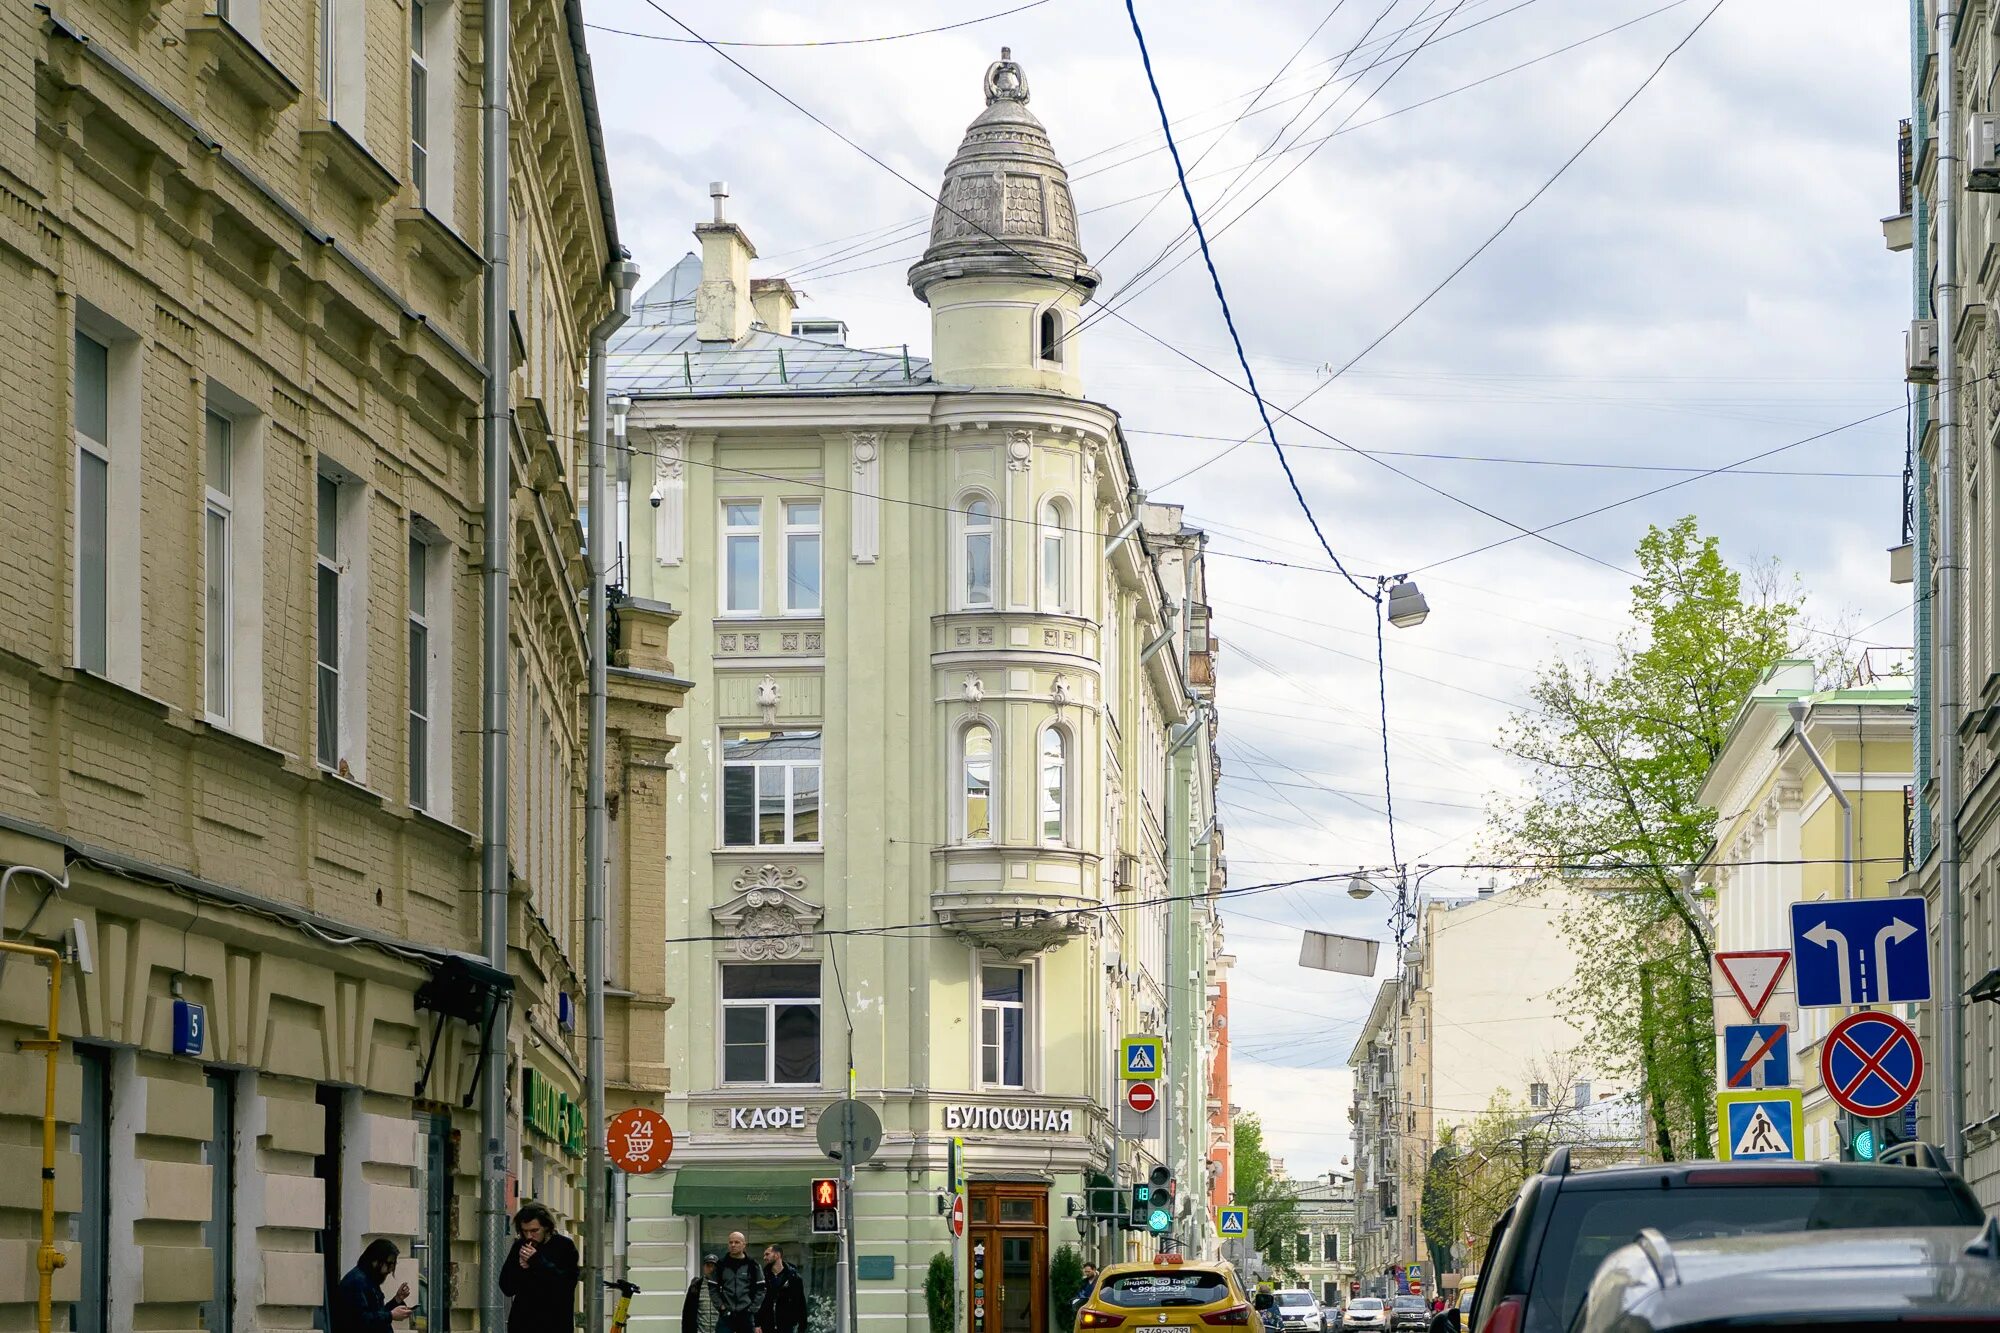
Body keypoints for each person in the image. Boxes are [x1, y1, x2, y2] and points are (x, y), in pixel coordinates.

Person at [498, 1201, 581, 1332]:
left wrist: (536, 1262)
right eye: (525, 1231)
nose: (529, 1236)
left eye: (534, 1230)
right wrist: (521, 1268)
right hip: (523, 1323)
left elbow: (566, 1285)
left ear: (547, 1227)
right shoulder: (520, 1246)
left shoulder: (564, 1246)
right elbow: (507, 1287)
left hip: (554, 1324)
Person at [331, 1238, 412, 1332]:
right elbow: (362, 1319)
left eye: (394, 1264)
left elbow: (377, 1313)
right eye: (389, 1263)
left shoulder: (368, 1280)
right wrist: (391, 1315)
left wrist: (397, 1300)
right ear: (375, 1261)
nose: (391, 1269)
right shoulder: (357, 1281)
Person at [713, 1231, 766, 1333]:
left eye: (737, 1242)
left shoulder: (753, 1265)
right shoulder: (721, 1265)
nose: (733, 1245)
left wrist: (752, 1309)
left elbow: (761, 1289)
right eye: (730, 1242)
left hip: (746, 1314)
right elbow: (713, 1288)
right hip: (726, 1315)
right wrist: (721, 1306)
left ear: (744, 1245)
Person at [758, 1243, 807, 1333]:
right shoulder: (762, 1277)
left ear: (777, 1255)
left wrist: (802, 1327)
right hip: (766, 1326)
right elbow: (758, 1302)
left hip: (786, 1326)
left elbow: (800, 1303)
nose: (764, 1258)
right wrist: (756, 1324)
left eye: (767, 1254)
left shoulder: (794, 1277)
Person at [683, 1253, 724, 1333]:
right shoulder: (695, 1286)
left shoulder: (725, 1286)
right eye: (708, 1265)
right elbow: (687, 1314)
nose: (711, 1269)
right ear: (703, 1267)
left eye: (714, 1266)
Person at [1067, 1263, 1100, 1329]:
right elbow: (1079, 1294)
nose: (1087, 1274)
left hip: (1097, 1308)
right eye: (1085, 1272)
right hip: (1085, 1308)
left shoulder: (1100, 1281)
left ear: (1094, 1270)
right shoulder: (1083, 1282)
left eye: (1088, 1271)